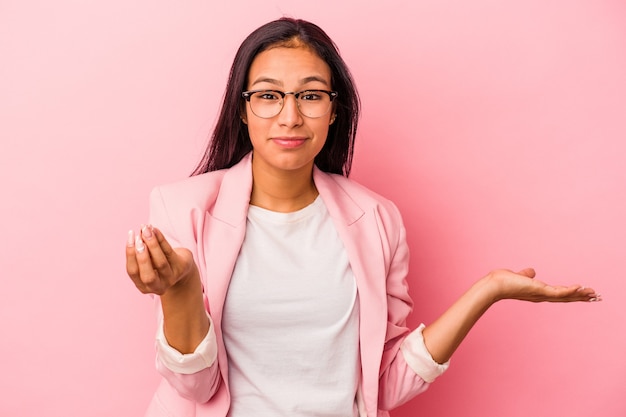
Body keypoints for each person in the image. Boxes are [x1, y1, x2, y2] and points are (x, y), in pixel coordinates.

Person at [125, 17, 601, 417]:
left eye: (311, 96)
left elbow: (383, 385)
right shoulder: (182, 209)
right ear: (243, 109)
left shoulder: (376, 219)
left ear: (334, 111)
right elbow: (194, 389)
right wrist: (181, 289)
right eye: (269, 96)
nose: (290, 116)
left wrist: (489, 289)